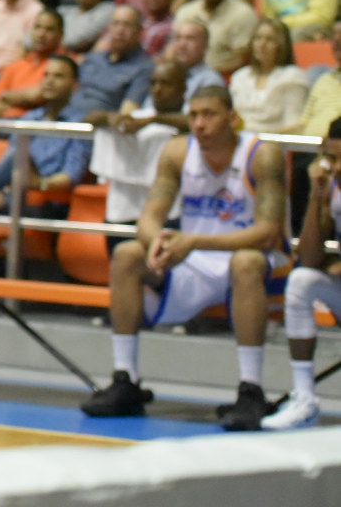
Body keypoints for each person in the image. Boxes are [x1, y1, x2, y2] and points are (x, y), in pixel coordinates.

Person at [80, 87, 288, 431]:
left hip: (256, 259)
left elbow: (267, 232)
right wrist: (157, 242)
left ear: (233, 119)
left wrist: (192, 241)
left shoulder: (261, 154)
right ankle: (125, 380)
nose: (200, 124)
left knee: (246, 262)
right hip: (197, 258)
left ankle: (251, 390)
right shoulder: (177, 152)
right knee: (128, 253)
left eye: (210, 115)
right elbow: (149, 216)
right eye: (193, 116)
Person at [263, 118, 341, 429]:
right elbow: (308, 258)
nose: (334, 167)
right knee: (301, 281)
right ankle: (305, 399)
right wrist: (316, 197)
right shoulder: (332, 186)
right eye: (331, 158)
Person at [88, 59, 191, 252]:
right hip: (124, 209)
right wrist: (111, 118)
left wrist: (153, 120)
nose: (157, 90)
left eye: (166, 83)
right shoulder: (138, 116)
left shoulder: (194, 116)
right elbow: (89, 118)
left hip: (170, 212)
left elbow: (192, 123)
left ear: (183, 88)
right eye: (153, 83)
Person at [0, 55, 86, 211]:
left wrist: (38, 183)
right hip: (14, 192)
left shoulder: (79, 125)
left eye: (58, 76)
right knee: (16, 156)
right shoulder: (31, 117)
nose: (49, 81)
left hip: (48, 200)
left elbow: (70, 176)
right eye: (46, 75)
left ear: (74, 85)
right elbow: (8, 165)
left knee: (17, 157)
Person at [228, 18, 309, 135]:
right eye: (258, 38)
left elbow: (294, 125)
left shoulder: (292, 76)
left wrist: (260, 140)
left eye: (270, 40)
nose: (262, 44)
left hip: (275, 145)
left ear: (281, 45)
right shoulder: (240, 76)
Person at [71, 4, 153, 114]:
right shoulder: (93, 59)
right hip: (64, 119)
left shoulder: (144, 68)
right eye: (116, 24)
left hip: (101, 127)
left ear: (139, 31)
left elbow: (128, 113)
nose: (120, 31)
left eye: (127, 25)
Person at [0, 9, 66, 117]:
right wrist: (24, 105)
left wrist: (6, 97)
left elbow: (38, 96)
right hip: (6, 128)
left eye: (49, 29)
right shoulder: (16, 65)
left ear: (60, 34)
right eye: (37, 27)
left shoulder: (65, 65)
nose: (41, 34)